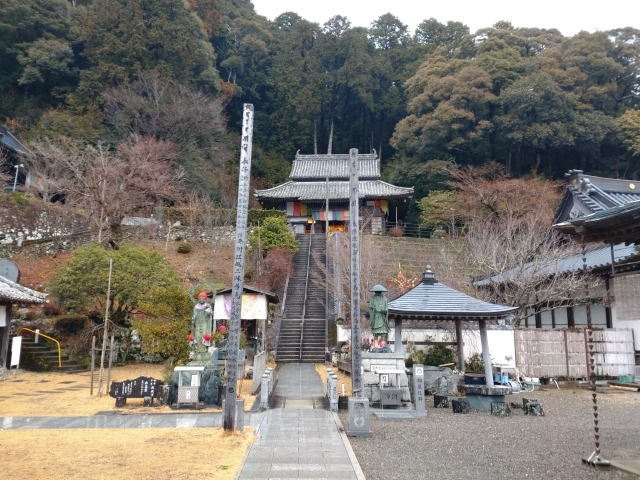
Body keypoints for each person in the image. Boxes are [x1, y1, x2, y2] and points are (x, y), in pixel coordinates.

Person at [191, 292, 213, 360]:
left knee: (204, 335)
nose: (201, 300)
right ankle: (198, 350)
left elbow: (210, 313)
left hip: (204, 323)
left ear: (205, 299)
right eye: (200, 299)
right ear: (198, 299)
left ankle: (204, 350)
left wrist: (208, 310)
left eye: (203, 298)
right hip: (198, 323)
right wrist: (193, 319)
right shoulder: (196, 306)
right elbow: (194, 314)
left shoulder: (207, 305)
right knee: (197, 336)